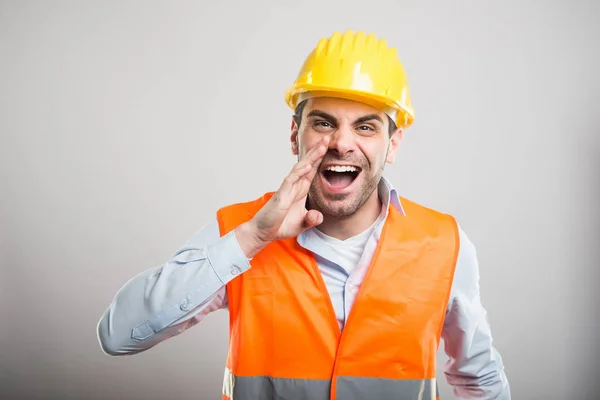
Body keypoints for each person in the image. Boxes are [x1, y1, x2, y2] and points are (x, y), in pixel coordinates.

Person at [97, 30, 511, 400]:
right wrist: (251, 240)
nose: (341, 144)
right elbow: (118, 335)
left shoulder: (445, 243)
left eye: (366, 127)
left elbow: (480, 381)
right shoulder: (239, 230)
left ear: (394, 144)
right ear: (295, 133)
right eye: (323, 123)